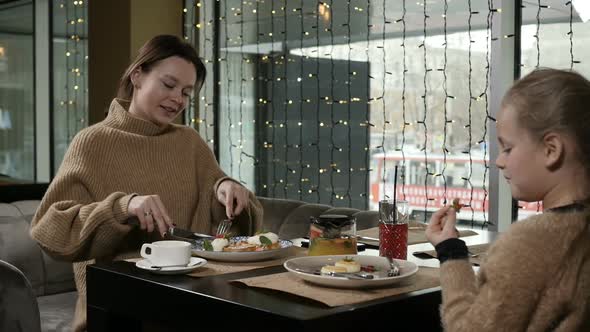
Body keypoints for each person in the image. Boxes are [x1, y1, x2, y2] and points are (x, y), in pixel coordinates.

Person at [30, 34, 263, 332]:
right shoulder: (92, 142)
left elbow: (231, 227)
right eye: (169, 85)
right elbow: (50, 231)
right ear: (137, 75)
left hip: (197, 303)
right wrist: (123, 207)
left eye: (187, 92)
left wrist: (226, 189)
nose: (178, 99)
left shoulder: (189, 142)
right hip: (121, 312)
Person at [426, 68, 590, 331]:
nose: (499, 161)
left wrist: (450, 253)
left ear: (551, 150)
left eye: (507, 148)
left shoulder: (530, 244)